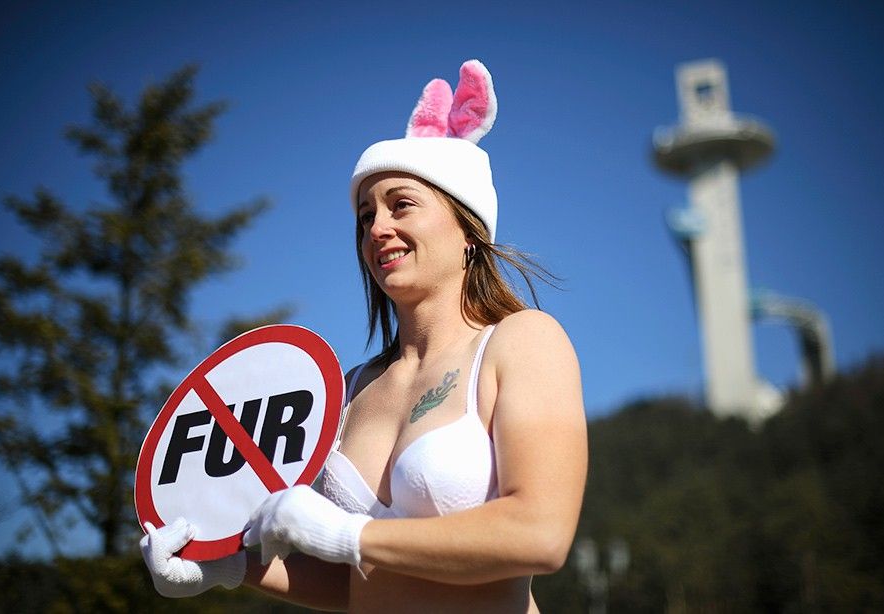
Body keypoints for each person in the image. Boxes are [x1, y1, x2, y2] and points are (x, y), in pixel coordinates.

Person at [140, 59, 587, 613]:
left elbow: (540, 533)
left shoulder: (521, 342)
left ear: (468, 228)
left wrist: (349, 534)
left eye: (402, 204)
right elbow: (357, 581)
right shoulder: (346, 391)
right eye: (364, 216)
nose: (378, 228)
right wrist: (226, 567)